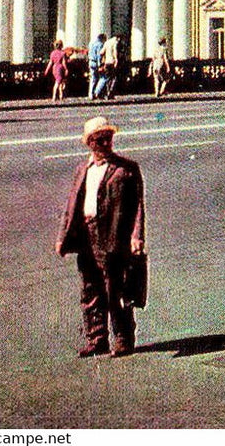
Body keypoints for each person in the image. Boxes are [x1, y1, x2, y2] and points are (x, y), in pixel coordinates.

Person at [55, 116, 145, 357]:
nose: (105, 143)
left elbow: (138, 206)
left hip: (113, 235)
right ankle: (97, 339)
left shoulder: (126, 169)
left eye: (108, 138)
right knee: (90, 289)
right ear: (89, 143)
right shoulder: (82, 170)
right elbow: (71, 206)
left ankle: (123, 339)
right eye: (99, 140)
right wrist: (62, 238)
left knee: (116, 289)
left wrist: (136, 236)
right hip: (87, 234)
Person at [100, 33, 121, 99]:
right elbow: (115, 52)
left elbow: (101, 52)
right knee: (114, 78)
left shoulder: (107, 42)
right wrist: (116, 60)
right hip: (112, 62)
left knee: (108, 78)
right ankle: (111, 93)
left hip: (107, 62)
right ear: (118, 38)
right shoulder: (115, 42)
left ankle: (106, 93)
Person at [87, 33, 106, 100]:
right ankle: (97, 92)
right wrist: (100, 65)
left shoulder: (91, 43)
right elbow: (99, 55)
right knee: (103, 78)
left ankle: (90, 94)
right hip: (96, 62)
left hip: (91, 61)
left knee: (93, 79)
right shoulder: (100, 44)